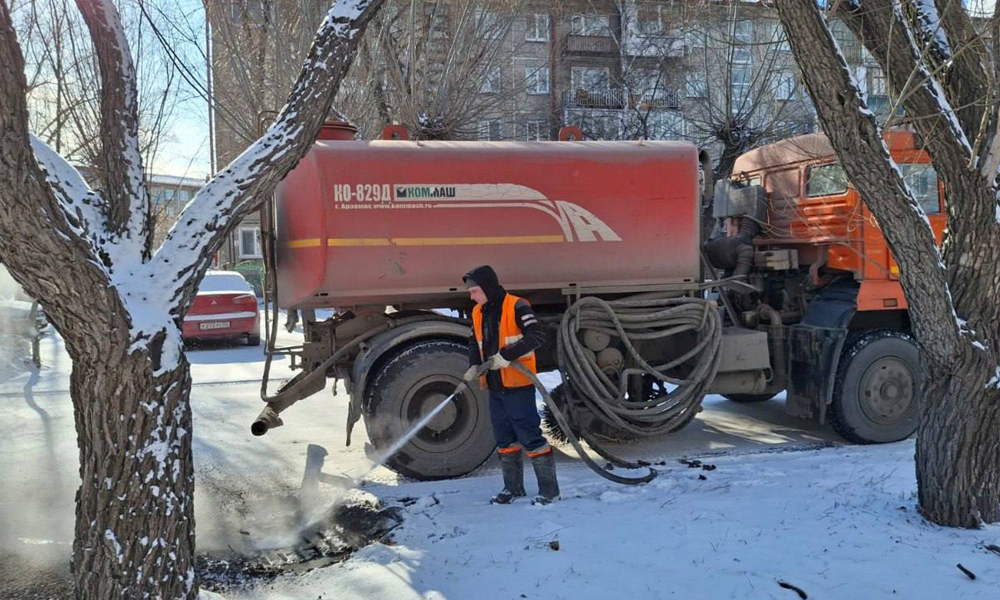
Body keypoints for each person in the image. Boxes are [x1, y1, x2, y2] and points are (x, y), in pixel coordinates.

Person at [462, 265, 559, 505]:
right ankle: (512, 489)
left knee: (530, 436)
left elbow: (537, 336)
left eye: (475, 291)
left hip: (518, 386)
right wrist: (474, 364)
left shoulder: (516, 306)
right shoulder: (478, 312)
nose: (472, 297)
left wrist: (506, 355)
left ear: (487, 287)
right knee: (504, 439)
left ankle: (549, 491)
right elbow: (474, 342)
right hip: (495, 387)